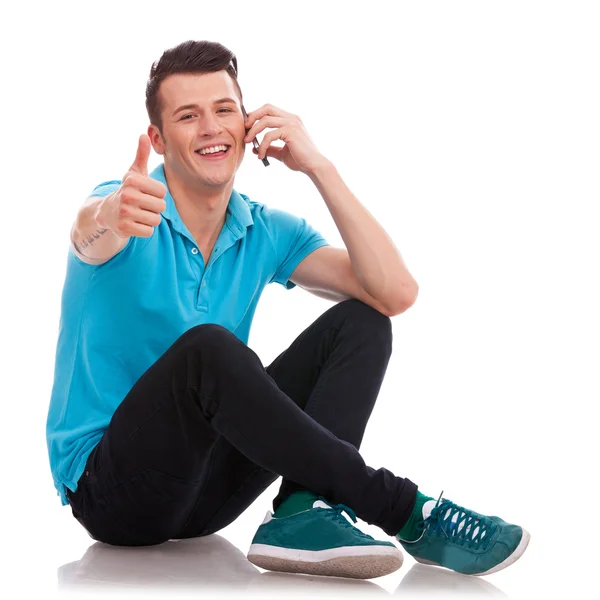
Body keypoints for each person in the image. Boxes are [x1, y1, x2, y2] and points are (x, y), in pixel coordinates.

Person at [46, 39, 530, 580]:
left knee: (363, 322)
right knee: (209, 349)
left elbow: (394, 292)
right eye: (188, 115)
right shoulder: (128, 204)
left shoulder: (264, 229)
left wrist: (319, 167)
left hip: (207, 495)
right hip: (113, 492)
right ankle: (407, 510)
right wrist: (110, 214)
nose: (210, 127)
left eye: (224, 110)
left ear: (246, 124)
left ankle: (301, 513)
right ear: (158, 139)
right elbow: (88, 234)